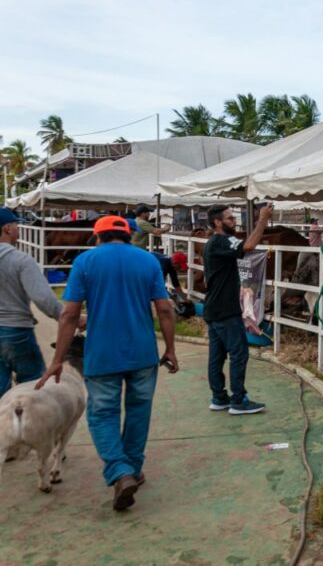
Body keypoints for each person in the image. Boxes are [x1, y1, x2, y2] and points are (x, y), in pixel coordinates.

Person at [37, 215, 178, 511]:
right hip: (142, 353)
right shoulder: (148, 261)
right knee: (139, 411)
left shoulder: (85, 262)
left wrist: (58, 359)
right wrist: (170, 349)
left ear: (97, 236)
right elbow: (165, 309)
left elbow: (69, 315)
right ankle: (133, 469)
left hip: (102, 354)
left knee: (102, 415)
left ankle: (119, 471)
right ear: (127, 235)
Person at [203, 203, 273, 415]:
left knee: (217, 356)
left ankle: (219, 397)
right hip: (226, 309)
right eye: (230, 218)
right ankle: (239, 400)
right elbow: (249, 246)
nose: (234, 221)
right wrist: (262, 219)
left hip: (213, 308)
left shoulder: (213, 243)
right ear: (218, 222)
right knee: (239, 352)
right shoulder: (222, 240)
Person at [0, 208, 68, 397]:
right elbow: (43, 299)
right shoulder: (21, 260)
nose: (18, 229)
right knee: (33, 390)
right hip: (16, 331)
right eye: (16, 225)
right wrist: (68, 318)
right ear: (7, 228)